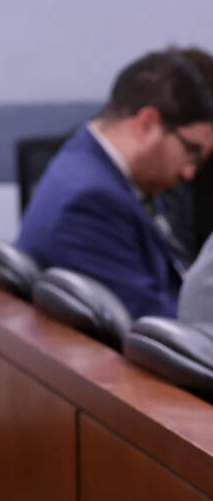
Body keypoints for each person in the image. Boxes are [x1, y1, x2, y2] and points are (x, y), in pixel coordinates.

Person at [19, 47, 213, 319]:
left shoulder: (88, 164)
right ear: (147, 125)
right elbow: (156, 328)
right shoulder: (90, 202)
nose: (189, 173)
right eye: (191, 152)